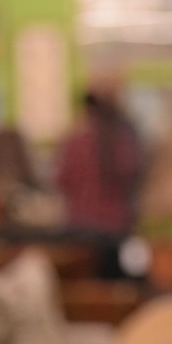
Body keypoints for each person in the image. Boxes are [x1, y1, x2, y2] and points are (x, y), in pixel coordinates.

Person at [54, 89, 146, 278]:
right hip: (115, 227)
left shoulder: (75, 141)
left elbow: (61, 179)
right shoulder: (122, 140)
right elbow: (134, 177)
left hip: (81, 228)